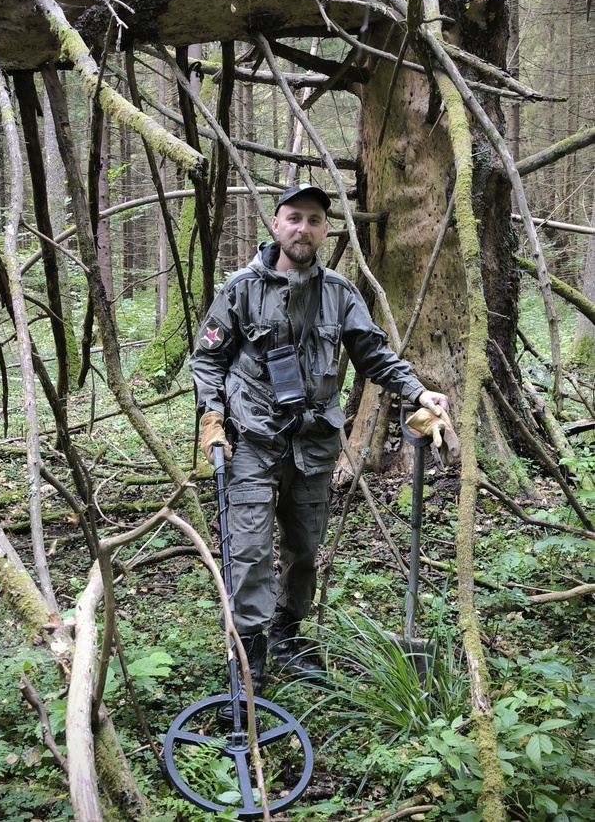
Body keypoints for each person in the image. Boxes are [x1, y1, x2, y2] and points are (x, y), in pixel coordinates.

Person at [188, 183, 451, 697]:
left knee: (304, 549)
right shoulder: (241, 289)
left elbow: (374, 356)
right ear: (275, 224)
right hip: (251, 442)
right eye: (293, 218)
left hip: (312, 446)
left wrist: (419, 393)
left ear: (325, 230)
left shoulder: (339, 293)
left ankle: (287, 634)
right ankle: (249, 659)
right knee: (247, 549)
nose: (302, 228)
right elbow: (208, 358)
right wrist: (211, 417)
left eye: (313, 219)